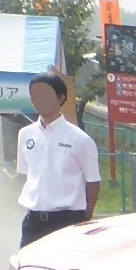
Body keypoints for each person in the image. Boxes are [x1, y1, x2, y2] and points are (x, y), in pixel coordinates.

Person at [14, 70, 100, 247]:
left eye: (45, 95)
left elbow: (93, 180)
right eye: (35, 95)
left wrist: (86, 213)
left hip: (67, 220)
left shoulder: (80, 139)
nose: (39, 101)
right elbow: (24, 174)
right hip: (34, 221)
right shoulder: (25, 134)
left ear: (61, 98)